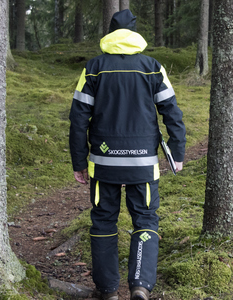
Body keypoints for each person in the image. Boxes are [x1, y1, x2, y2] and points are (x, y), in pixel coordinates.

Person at [68, 9, 186, 300]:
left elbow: (78, 118)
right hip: (143, 162)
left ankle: (108, 290)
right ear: (135, 33)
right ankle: (141, 286)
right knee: (145, 218)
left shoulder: (94, 68)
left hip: (104, 162)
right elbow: (172, 112)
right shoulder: (152, 67)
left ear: (110, 33)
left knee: (103, 220)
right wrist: (178, 152)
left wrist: (79, 161)